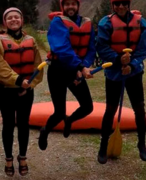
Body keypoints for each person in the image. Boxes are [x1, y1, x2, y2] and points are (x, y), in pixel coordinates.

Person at [0, 7, 43, 177]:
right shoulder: (0, 41)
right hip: (6, 90)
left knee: (23, 124)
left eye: (16, 17)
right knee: (8, 125)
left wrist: (30, 84)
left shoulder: (31, 40)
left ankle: (23, 157)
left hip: (26, 90)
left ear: (22, 20)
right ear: (5, 22)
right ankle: (8, 158)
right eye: (10, 18)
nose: (14, 20)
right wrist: (19, 81)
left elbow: (38, 66)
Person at [96, 0, 146, 164]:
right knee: (110, 109)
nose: (120, 6)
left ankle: (142, 143)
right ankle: (103, 145)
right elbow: (101, 46)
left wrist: (132, 65)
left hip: (133, 72)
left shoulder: (140, 22)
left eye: (124, 3)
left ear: (129, 4)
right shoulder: (105, 23)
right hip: (114, 71)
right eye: (117, 3)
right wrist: (119, 60)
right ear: (112, 5)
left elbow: (143, 49)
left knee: (139, 107)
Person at [38, 0, 95, 150]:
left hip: (76, 70)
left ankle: (69, 121)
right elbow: (61, 48)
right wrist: (80, 66)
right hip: (57, 70)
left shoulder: (87, 23)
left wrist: (85, 65)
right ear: (62, 6)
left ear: (78, 6)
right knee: (59, 113)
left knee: (88, 107)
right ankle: (45, 130)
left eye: (73, 4)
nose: (70, 6)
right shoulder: (57, 22)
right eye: (67, 4)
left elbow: (90, 48)